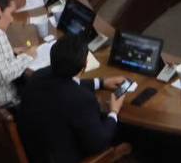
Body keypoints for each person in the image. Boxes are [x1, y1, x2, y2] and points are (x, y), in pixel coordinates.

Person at [17, 34, 127, 163]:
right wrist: (114, 111)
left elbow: (65, 83)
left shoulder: (37, 76)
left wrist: (101, 82)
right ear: (85, 65)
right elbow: (98, 144)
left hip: (35, 153)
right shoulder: (82, 100)